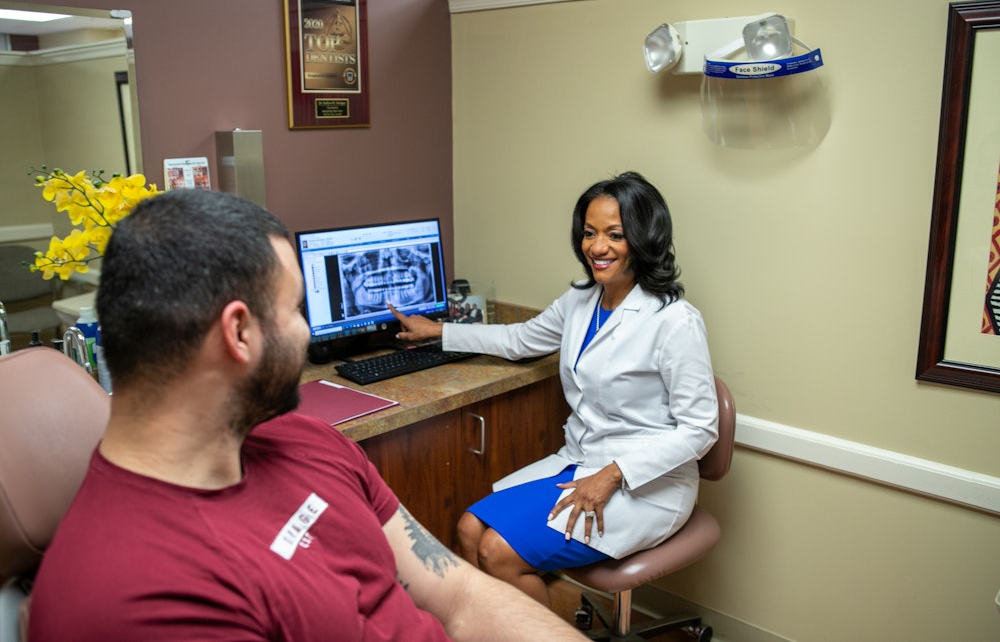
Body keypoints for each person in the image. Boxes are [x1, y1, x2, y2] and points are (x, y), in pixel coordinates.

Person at [28, 189, 587, 642]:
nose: (308, 331)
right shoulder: (128, 599)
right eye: (297, 310)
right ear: (239, 333)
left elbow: (459, 596)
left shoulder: (306, 441)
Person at [389, 171, 718, 606]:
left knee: (498, 553)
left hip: (644, 484)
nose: (597, 247)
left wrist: (612, 474)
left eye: (614, 234)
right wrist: (439, 331)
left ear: (643, 238)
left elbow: (700, 429)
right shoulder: (582, 300)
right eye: (589, 233)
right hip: (579, 464)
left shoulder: (674, 320)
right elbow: (520, 340)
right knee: (469, 528)